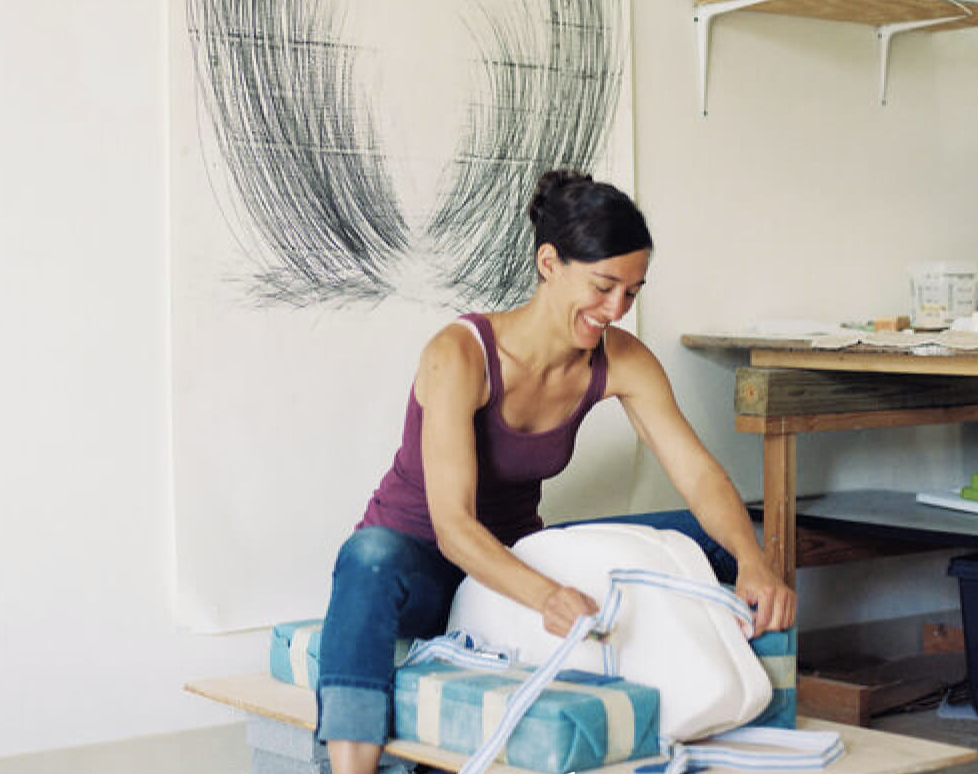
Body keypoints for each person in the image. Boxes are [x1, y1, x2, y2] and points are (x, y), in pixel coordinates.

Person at [316, 169, 796, 774]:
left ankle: (716, 705)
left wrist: (753, 561)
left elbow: (696, 473)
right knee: (367, 555)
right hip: (425, 565)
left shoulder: (619, 358)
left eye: (632, 292)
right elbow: (454, 529)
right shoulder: (459, 354)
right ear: (549, 263)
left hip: (520, 554)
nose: (615, 309)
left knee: (703, 539)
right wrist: (546, 596)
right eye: (602, 287)